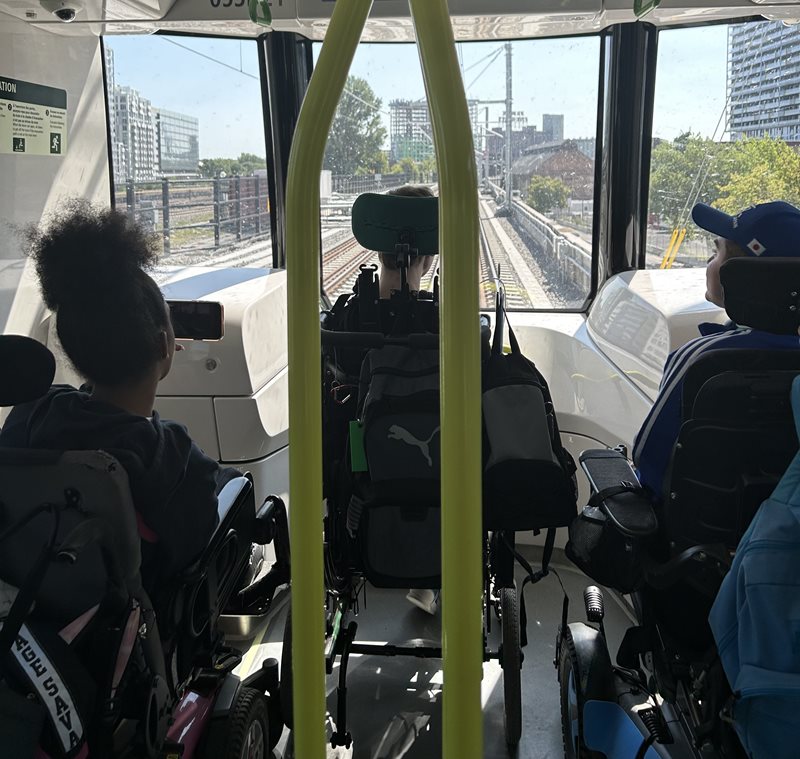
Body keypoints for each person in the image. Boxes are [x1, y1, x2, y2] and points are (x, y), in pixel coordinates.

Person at [0, 201, 237, 593]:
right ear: (164, 344)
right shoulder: (171, 458)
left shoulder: (31, 413)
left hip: (37, 614)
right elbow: (198, 542)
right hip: (125, 630)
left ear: (74, 351)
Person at [633, 200, 800, 497]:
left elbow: (647, 458)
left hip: (691, 532)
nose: (710, 261)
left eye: (717, 250)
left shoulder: (703, 359)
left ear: (741, 274)